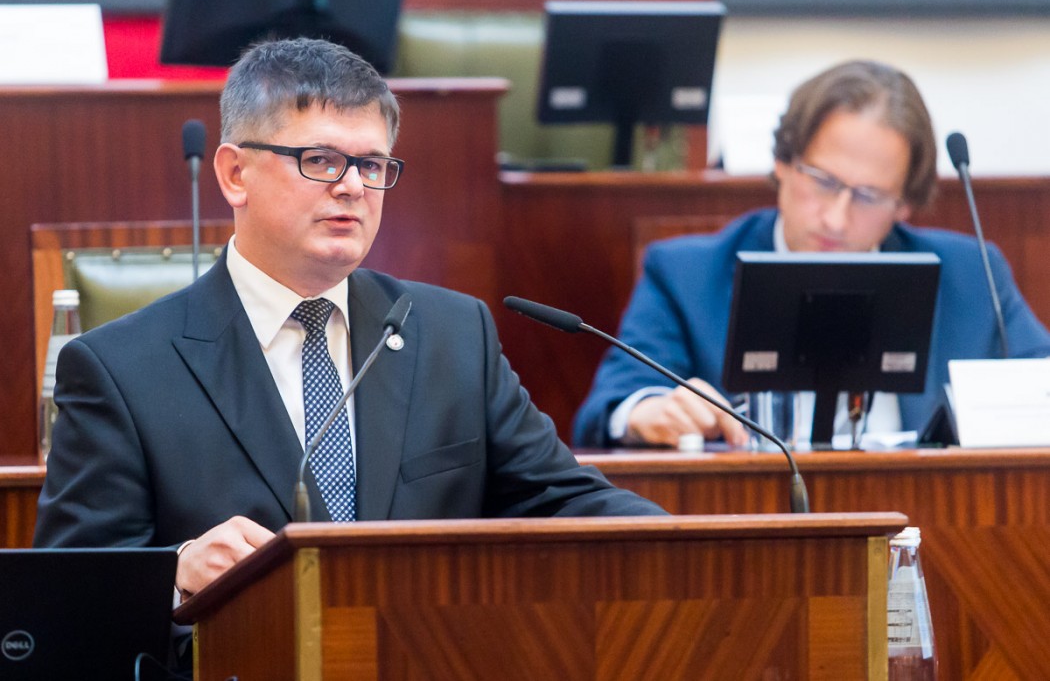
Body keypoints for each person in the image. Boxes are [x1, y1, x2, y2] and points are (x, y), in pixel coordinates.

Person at [35, 38, 665, 597]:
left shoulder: (452, 335)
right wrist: (173, 573)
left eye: (371, 165)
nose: (354, 188)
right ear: (234, 173)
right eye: (320, 160)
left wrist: (698, 544)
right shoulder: (121, 370)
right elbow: (66, 596)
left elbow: (563, 501)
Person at [574, 59, 1050, 448]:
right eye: (823, 182)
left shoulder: (971, 276)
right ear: (782, 162)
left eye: (869, 196)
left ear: (904, 205)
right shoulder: (685, 274)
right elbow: (609, 408)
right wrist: (645, 412)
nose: (836, 219)